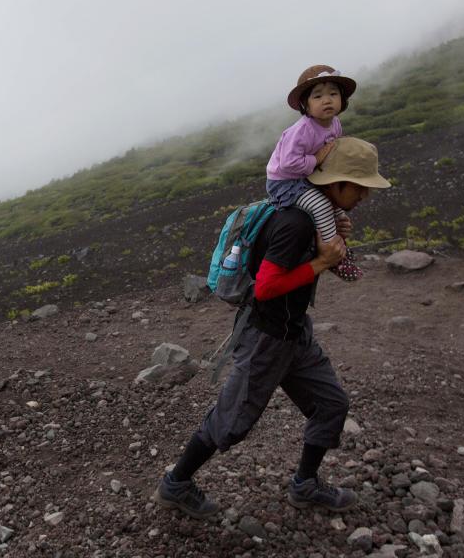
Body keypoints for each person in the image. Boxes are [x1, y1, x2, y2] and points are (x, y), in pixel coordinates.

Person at [154, 137, 391, 519]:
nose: (365, 195)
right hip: (265, 337)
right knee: (230, 422)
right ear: (335, 183)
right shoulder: (295, 222)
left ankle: (306, 485)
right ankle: (176, 484)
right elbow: (265, 288)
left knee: (331, 404)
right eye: (360, 186)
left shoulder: (317, 215)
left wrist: (332, 246)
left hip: (294, 333)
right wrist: (320, 263)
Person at [266, 65, 363, 281]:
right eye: (317, 96)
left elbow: (333, 149)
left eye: (333, 94)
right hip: (285, 182)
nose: (326, 100)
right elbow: (288, 164)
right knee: (320, 205)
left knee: (336, 210)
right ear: (305, 105)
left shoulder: (335, 123)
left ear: (342, 99)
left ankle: (340, 247)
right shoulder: (302, 130)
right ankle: (332, 257)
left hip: (307, 175)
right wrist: (317, 159)